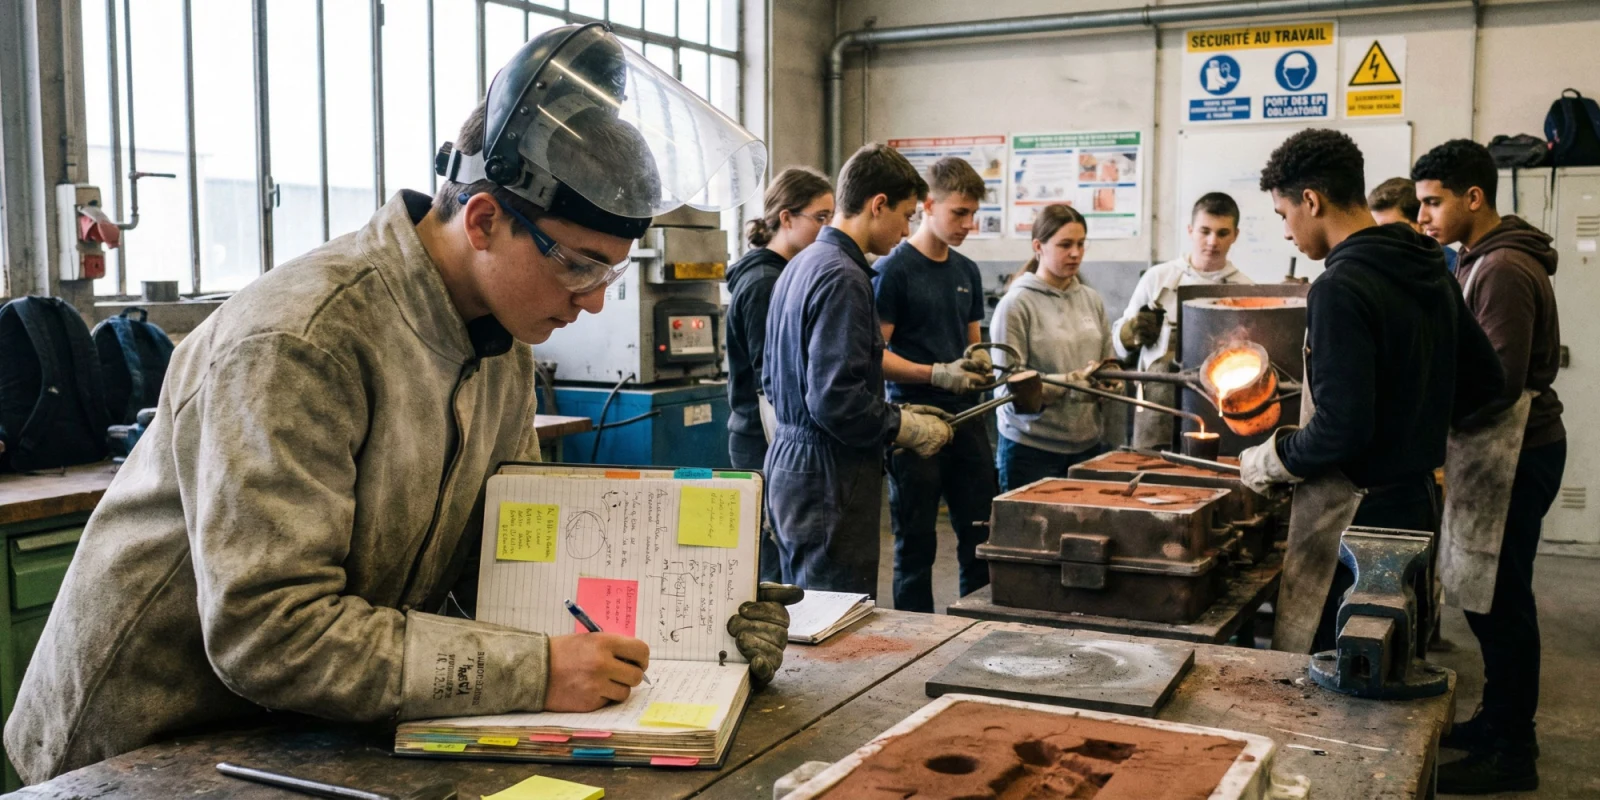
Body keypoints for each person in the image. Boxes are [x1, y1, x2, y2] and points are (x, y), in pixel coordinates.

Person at [2, 25, 801, 784]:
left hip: (292, 730)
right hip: (147, 747)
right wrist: (536, 667)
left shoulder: (498, 346)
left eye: (610, 277)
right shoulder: (302, 341)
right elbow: (267, 632)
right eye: (580, 269)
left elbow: (510, 563)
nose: (592, 304)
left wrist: (694, 613)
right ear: (484, 219)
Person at [1238, 129, 1503, 659]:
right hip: (1417, 506)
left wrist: (1272, 459)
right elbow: (1485, 384)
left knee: (1341, 680)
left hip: (1357, 528)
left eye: (1282, 214)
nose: (1287, 232)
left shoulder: (1339, 287)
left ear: (1311, 201)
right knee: (1393, 668)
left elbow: (1342, 428)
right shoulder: (1431, 267)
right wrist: (1414, 415)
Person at [1414, 138, 1565, 794]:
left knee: (1502, 604)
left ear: (1473, 197)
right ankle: (1496, 718)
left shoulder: (1501, 268)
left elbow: (1498, 382)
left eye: (1432, 202)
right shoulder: (1479, 258)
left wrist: (1420, 416)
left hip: (1517, 450)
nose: (1423, 216)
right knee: (1486, 599)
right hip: (1501, 448)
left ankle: (1514, 750)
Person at [762, 143, 953, 595]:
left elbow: (773, 380)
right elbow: (835, 400)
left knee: (806, 608)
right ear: (877, 204)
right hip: (829, 474)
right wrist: (902, 426)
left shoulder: (802, 262)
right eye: (906, 215)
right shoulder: (845, 277)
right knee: (834, 617)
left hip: (793, 466)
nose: (907, 231)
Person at [873, 157, 996, 612]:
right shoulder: (893, 271)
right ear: (928, 204)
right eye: (958, 213)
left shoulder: (967, 272)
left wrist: (978, 360)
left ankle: (977, 632)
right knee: (916, 547)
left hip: (967, 422)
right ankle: (915, 643)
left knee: (980, 538)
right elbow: (876, 357)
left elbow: (972, 340)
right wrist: (935, 373)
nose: (967, 224)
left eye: (972, 214)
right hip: (914, 424)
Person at [725, 167, 835, 584]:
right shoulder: (763, 283)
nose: (828, 227)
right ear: (786, 218)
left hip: (774, 440)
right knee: (775, 570)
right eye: (820, 217)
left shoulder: (785, 275)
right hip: (763, 441)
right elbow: (768, 383)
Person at [1111, 192, 1254, 450]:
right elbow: (1119, 345)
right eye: (1205, 231)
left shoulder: (1245, 289)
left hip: (1216, 405)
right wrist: (1130, 332)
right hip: (1157, 407)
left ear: (1235, 235)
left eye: (1222, 233)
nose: (1212, 241)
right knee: (1152, 473)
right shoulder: (1158, 278)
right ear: (1190, 230)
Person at [991, 204, 1116, 492]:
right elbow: (1006, 388)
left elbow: (1107, 361)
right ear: (1038, 247)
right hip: (1031, 449)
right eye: (1065, 245)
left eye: (1081, 244)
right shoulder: (1016, 304)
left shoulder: (1091, 300)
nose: (1075, 253)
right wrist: (1070, 382)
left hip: (1086, 447)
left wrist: (1111, 380)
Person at [1368, 176, 1459, 274]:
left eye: (1391, 230)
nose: (1380, 239)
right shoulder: (1373, 268)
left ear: (1421, 225)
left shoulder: (1455, 270)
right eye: (1376, 231)